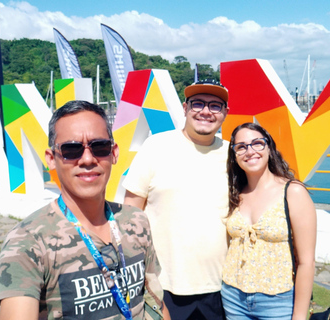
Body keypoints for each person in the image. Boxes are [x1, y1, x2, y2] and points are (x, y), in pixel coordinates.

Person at [0, 100, 170, 320]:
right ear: (51, 159)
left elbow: (155, 303)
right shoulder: (28, 242)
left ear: (114, 153)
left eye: (99, 147)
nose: (87, 159)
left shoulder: (136, 221)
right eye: (71, 149)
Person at [123, 80, 230, 320]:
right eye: (198, 103)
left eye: (215, 105)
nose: (205, 111)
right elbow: (130, 215)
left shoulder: (234, 154)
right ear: (185, 108)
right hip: (162, 286)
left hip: (222, 289)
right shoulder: (156, 146)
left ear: (225, 112)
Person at [222, 122, 316, 320]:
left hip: (278, 301)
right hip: (233, 296)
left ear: (269, 148)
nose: (250, 151)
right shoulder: (235, 193)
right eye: (241, 146)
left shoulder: (293, 192)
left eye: (257, 143)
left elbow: (306, 262)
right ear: (235, 154)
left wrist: (299, 316)